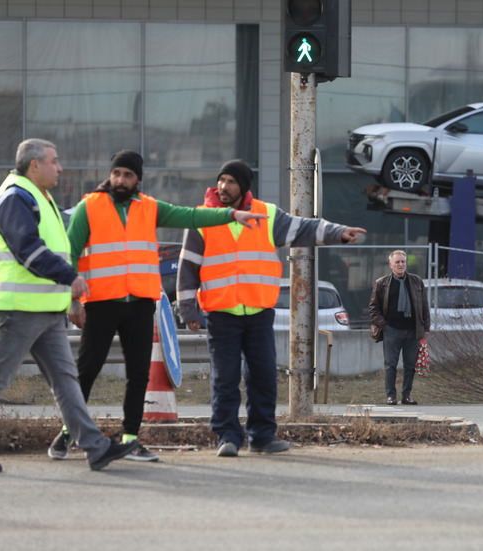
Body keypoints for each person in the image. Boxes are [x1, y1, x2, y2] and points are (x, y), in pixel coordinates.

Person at [48, 150, 267, 462]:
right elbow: (68, 253)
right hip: (101, 304)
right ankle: (69, 433)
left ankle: (130, 440)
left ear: (138, 180)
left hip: (139, 304)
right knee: (86, 372)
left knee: (139, 375)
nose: (120, 180)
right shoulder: (89, 207)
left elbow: (192, 216)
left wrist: (230, 214)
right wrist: (71, 301)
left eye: (127, 175)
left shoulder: (148, 208)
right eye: (116, 174)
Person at [0, 138, 139, 472]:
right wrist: (69, 277)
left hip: (45, 308)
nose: (60, 168)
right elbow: (27, 248)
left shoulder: (38, 196)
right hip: (22, 309)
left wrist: (69, 297)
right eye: (54, 161)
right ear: (35, 165)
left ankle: (95, 447)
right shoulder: (16, 196)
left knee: (65, 379)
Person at [177, 159, 366, 457]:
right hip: (221, 313)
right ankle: (227, 437)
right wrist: (187, 309)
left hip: (259, 313)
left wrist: (337, 232)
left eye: (231, 182)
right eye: (221, 181)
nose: (224, 187)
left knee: (263, 376)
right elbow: (188, 268)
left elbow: (304, 228)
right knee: (225, 379)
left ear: (244, 187)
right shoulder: (203, 218)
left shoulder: (266, 215)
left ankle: (262, 436)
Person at [368, 250, 430, 406]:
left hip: (413, 330)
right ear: (391, 265)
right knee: (390, 364)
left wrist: (426, 327)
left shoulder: (416, 281)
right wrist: (384, 325)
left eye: (403, 261)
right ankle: (391, 396)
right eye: (397, 262)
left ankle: (406, 395)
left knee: (410, 365)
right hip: (392, 330)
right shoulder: (381, 283)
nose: (401, 264)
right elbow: (373, 308)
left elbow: (424, 305)